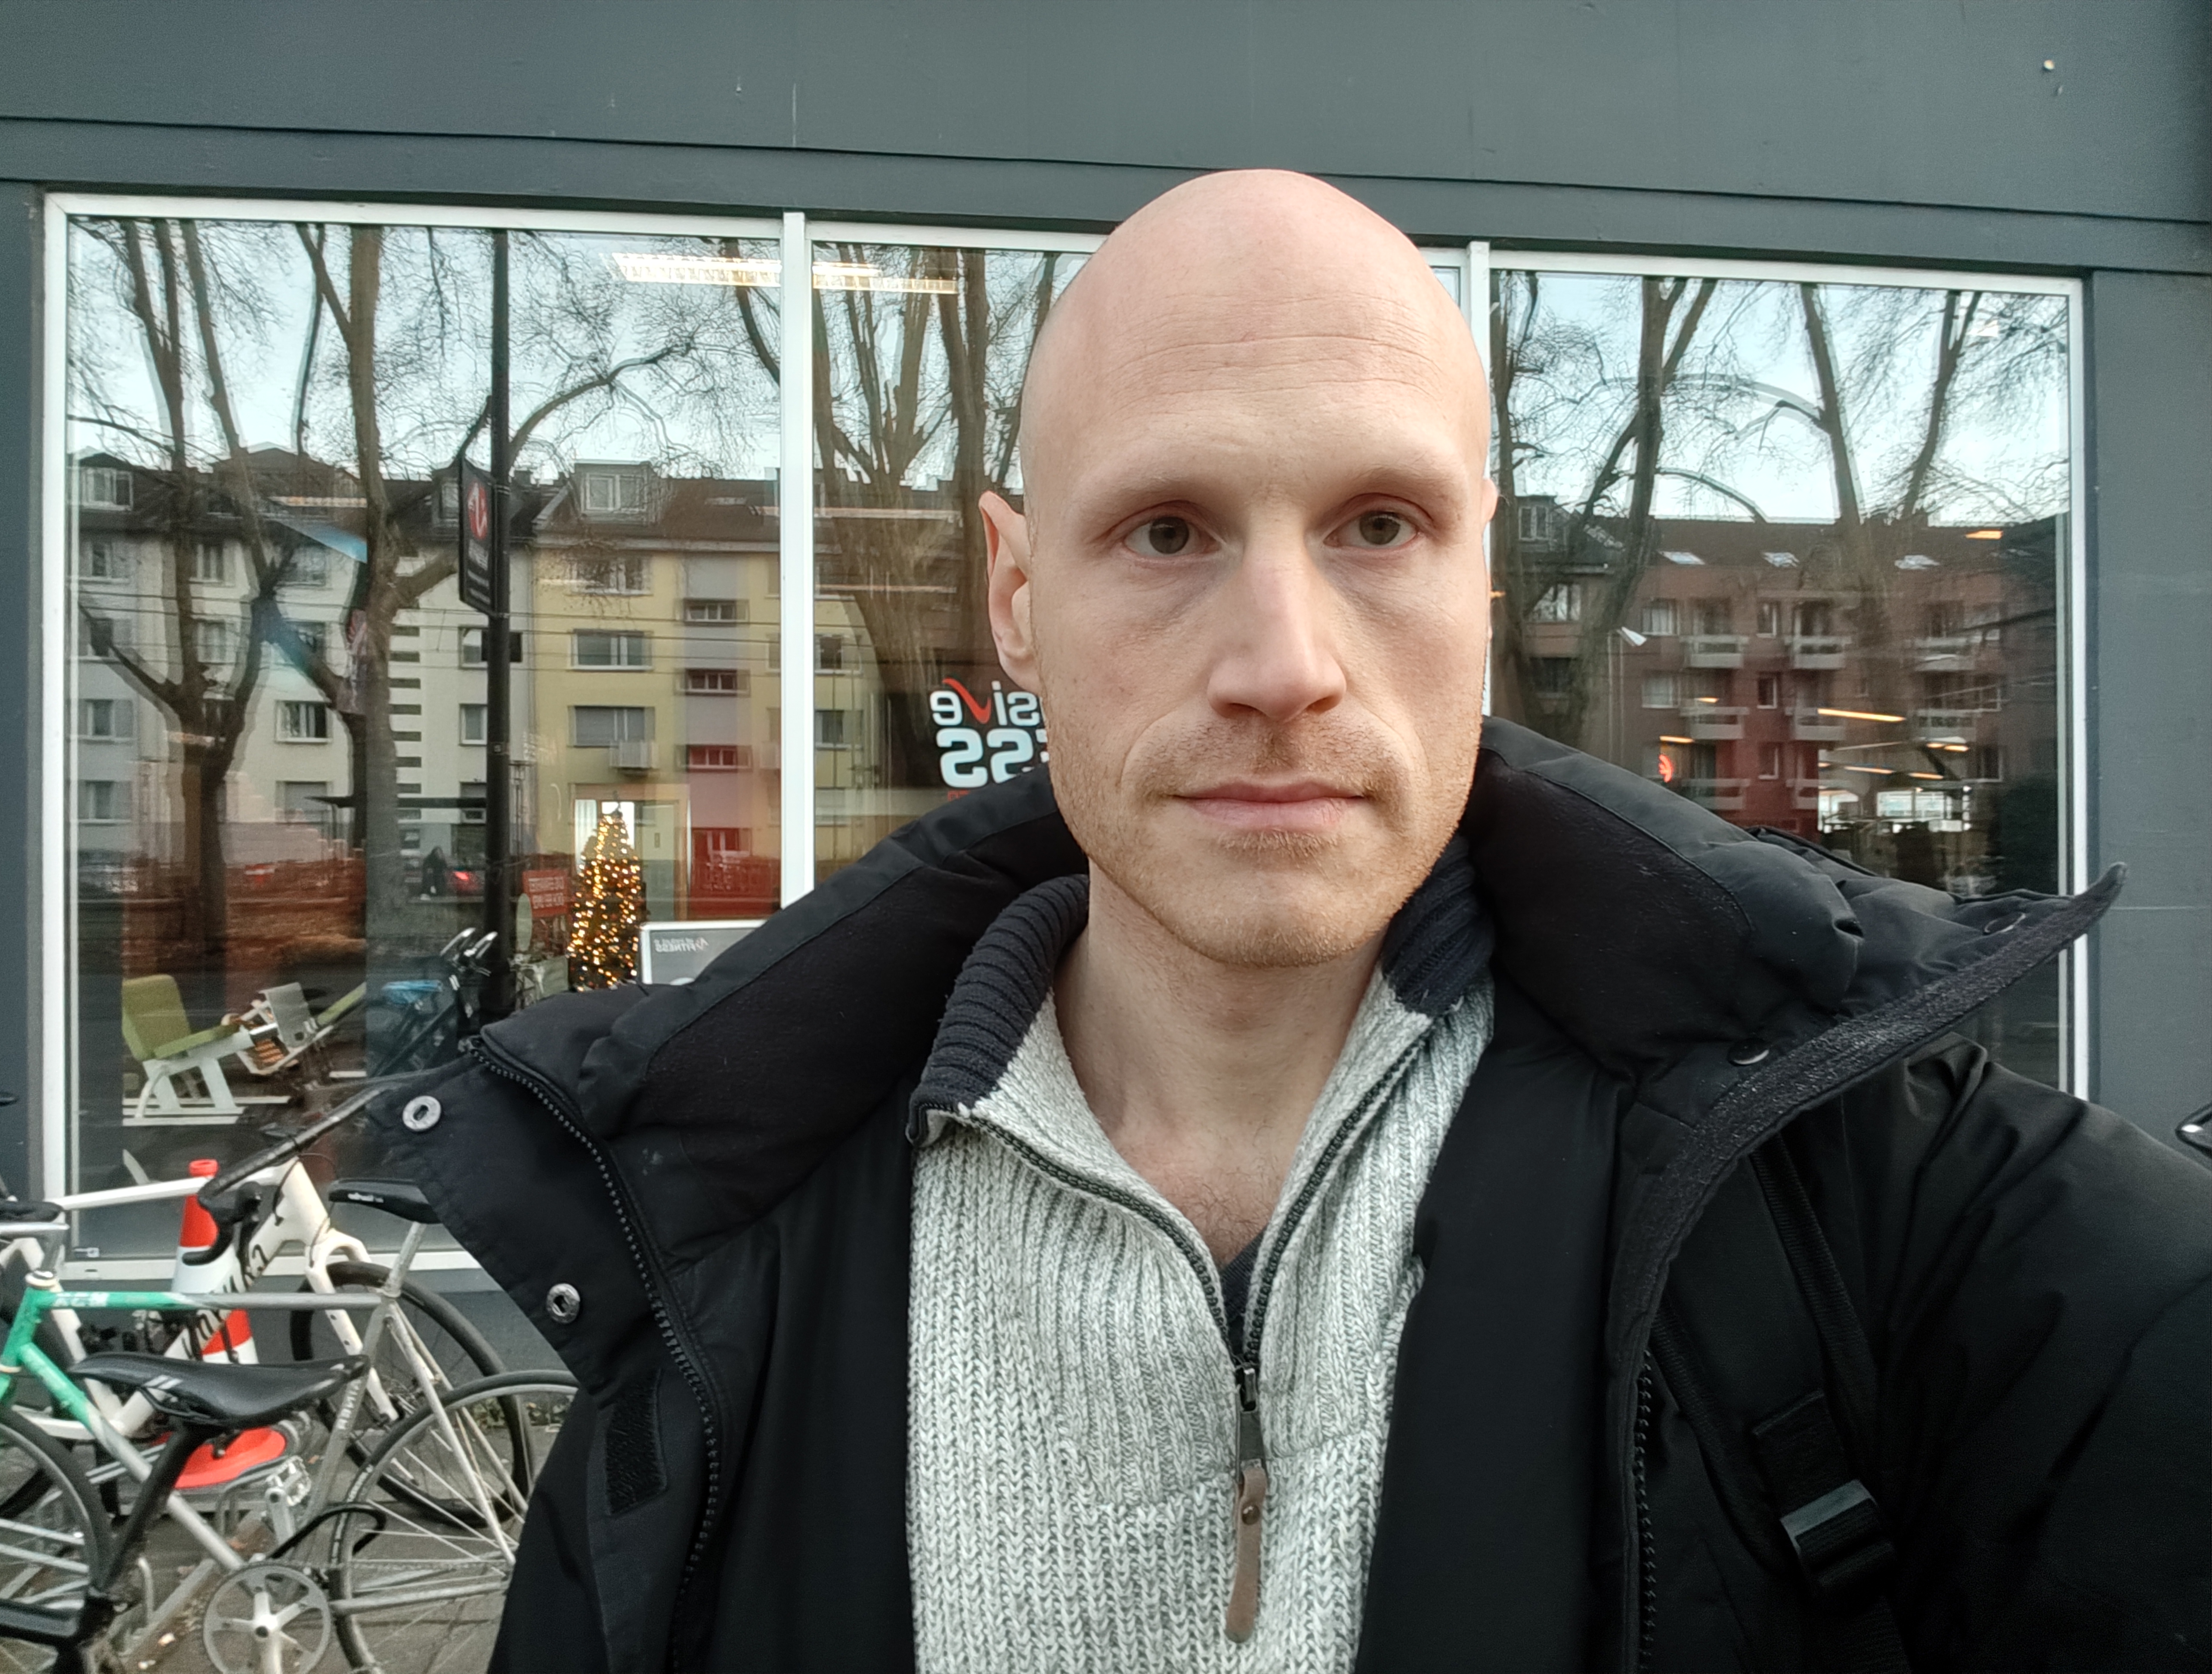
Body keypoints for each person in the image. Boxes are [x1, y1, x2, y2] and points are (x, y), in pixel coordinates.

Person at [381, 173, 2210, 1673]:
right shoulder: (717, 1271)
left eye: (1380, 525)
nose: (1282, 665)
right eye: (1169, 532)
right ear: (1016, 595)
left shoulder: (1863, 1197)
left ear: (1482, 575)